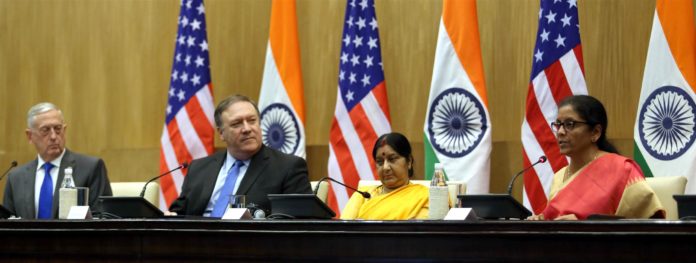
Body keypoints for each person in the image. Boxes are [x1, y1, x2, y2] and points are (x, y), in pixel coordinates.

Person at [168, 95, 311, 217]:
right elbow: (180, 211)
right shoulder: (199, 168)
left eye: (252, 120)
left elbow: (298, 221)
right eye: (236, 124)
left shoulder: (287, 167)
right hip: (195, 244)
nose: (247, 129)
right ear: (221, 133)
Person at [528, 95, 665, 220]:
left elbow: (648, 223)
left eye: (570, 124)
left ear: (595, 132)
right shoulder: (559, 177)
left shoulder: (622, 170)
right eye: (558, 125)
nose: (561, 132)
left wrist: (585, 226)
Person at [3, 102, 112, 219]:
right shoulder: (15, 178)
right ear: (30, 136)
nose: (54, 136)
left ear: (64, 130)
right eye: (45, 130)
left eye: (57, 129)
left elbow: (104, 218)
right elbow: (6, 223)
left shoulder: (90, 168)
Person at [341, 132, 429, 220]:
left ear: (409, 161)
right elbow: (342, 229)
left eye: (392, 159)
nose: (385, 167)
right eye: (380, 162)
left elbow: (418, 230)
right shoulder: (362, 195)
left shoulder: (423, 197)